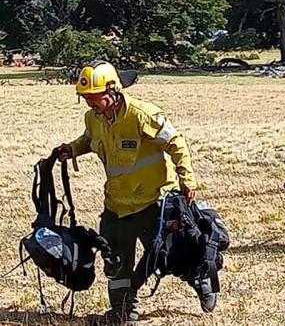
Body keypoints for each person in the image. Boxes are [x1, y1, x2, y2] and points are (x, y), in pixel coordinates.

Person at [55, 61, 209, 325]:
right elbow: (89, 140)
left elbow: (176, 142)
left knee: (171, 256)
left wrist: (188, 178)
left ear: (113, 90)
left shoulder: (141, 114)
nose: (91, 103)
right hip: (116, 204)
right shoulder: (93, 118)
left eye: (95, 97)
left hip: (152, 203)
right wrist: (72, 149)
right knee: (115, 263)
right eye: (87, 98)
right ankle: (123, 311)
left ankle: (202, 280)